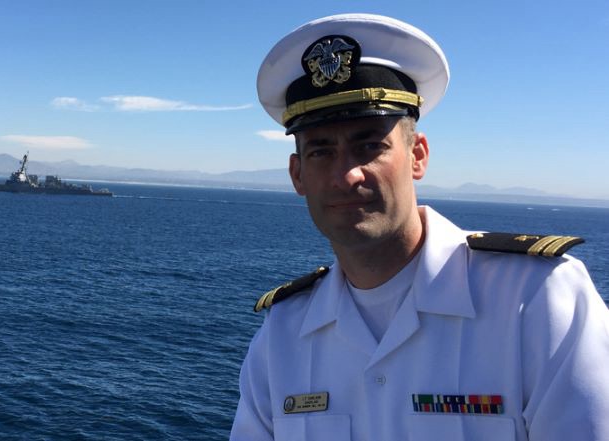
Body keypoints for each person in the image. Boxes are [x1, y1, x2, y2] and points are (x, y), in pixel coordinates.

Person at [231, 13, 609, 441]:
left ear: (417, 156)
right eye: (321, 152)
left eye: (369, 145)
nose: (347, 175)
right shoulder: (282, 337)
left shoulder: (537, 301)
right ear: (297, 175)